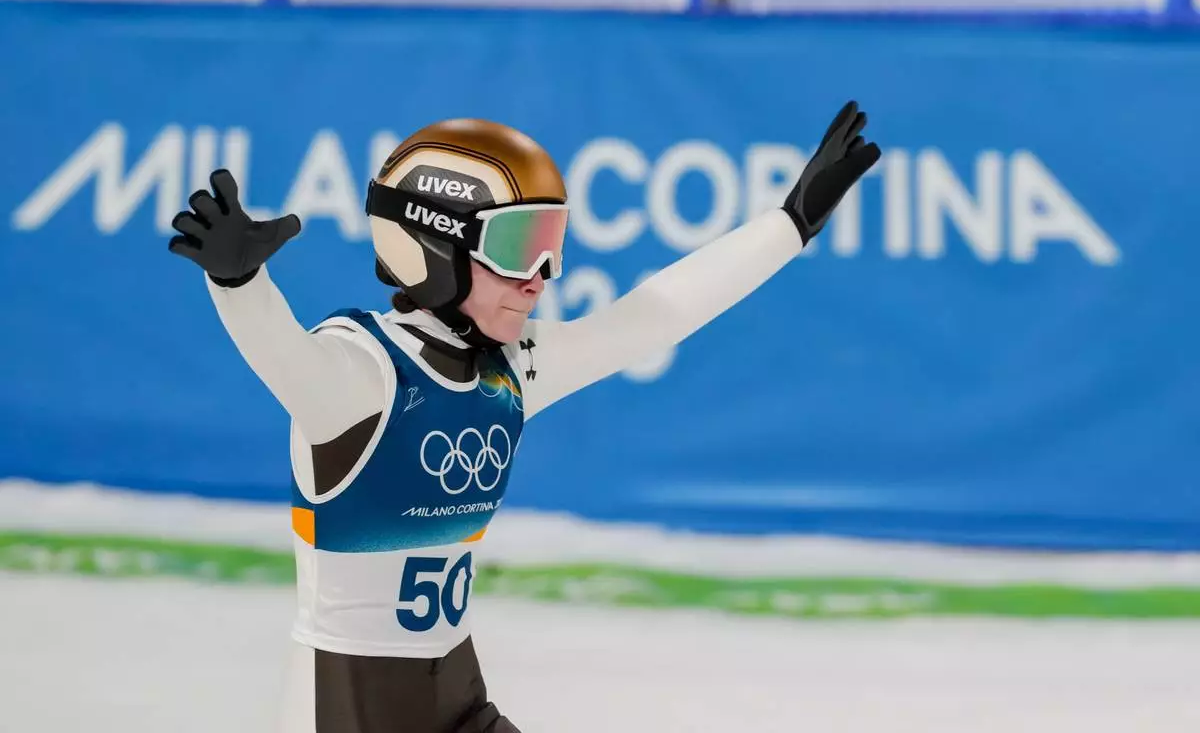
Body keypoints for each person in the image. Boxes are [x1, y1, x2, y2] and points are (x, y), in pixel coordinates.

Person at [167, 106, 880, 733]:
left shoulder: (514, 368)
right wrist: (238, 284)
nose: (539, 273)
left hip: (457, 696)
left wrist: (790, 224)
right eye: (515, 246)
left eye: (551, 242)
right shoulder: (361, 375)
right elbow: (283, 358)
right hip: (345, 708)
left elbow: (657, 313)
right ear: (435, 244)